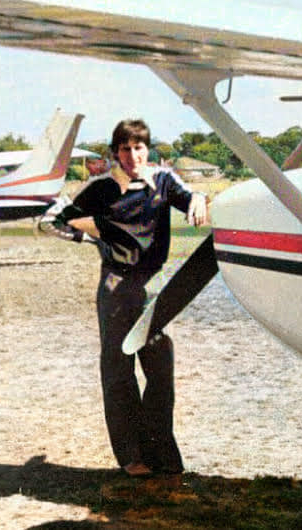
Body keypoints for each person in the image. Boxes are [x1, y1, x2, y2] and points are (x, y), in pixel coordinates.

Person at [39, 119, 207, 477]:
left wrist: (198, 199)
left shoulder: (163, 180)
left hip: (151, 287)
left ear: (148, 149)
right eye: (125, 149)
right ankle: (131, 457)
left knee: (160, 368)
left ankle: (161, 453)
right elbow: (52, 221)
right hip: (115, 286)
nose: (132, 156)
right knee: (119, 373)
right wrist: (92, 238)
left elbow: (190, 196)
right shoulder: (100, 187)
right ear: (116, 153)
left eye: (138, 148)